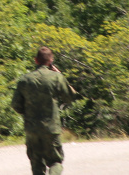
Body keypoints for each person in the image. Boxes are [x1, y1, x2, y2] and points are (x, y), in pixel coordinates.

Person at [11, 46, 78, 175]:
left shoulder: (25, 79)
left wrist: (28, 114)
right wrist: (59, 75)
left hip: (32, 128)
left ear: (36, 60)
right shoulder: (56, 77)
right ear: (51, 60)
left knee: (36, 164)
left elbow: (16, 105)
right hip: (51, 128)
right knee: (55, 162)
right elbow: (70, 97)